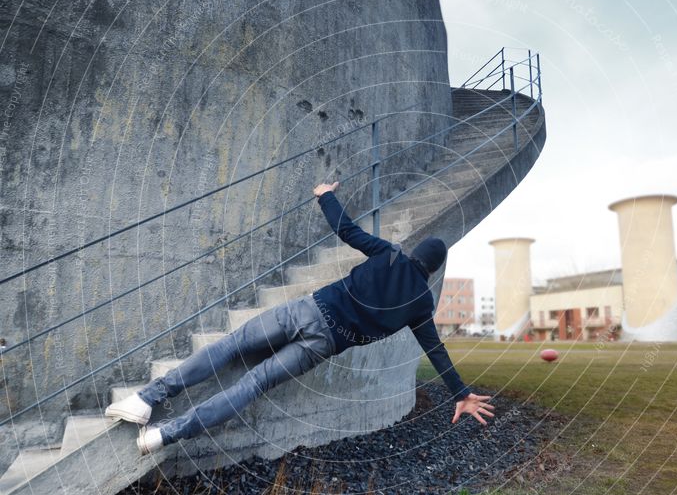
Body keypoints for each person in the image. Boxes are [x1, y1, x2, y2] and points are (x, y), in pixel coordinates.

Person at [105, 181, 495, 455]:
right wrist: (460, 394)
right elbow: (438, 352)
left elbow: (347, 230)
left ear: (416, 254)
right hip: (324, 344)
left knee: (230, 347)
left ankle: (146, 399)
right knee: (254, 383)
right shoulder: (421, 306)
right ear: (433, 270)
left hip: (308, 310)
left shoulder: (390, 254)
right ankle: (164, 436)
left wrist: (326, 196)